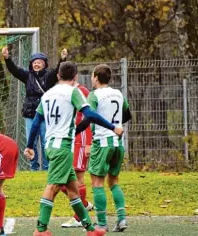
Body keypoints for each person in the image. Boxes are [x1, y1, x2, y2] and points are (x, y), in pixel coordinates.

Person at [24, 61, 123, 236]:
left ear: (57, 75)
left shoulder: (47, 94)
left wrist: (30, 145)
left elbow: (36, 122)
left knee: (72, 188)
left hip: (51, 145)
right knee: (53, 186)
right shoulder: (73, 92)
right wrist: (112, 127)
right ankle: (40, 229)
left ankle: (90, 229)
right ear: (76, 77)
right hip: (62, 147)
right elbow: (90, 114)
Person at [75, 64, 132, 232]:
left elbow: (89, 116)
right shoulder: (118, 93)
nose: (91, 79)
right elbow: (127, 114)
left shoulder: (94, 95)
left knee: (97, 183)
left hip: (102, 143)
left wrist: (75, 131)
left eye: (92, 76)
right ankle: (121, 219)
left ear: (96, 78)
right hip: (117, 143)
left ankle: (101, 223)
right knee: (114, 181)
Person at [1, 46, 68, 171]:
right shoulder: (27, 76)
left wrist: (62, 59)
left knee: (45, 141)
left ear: (44, 64)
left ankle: (47, 168)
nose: (36, 64)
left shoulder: (49, 76)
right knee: (31, 142)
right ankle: (34, 168)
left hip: (45, 114)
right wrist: (7, 58)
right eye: (34, 62)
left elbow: (58, 70)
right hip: (30, 113)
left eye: (39, 62)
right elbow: (14, 70)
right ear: (31, 65)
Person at [60, 82, 94, 228]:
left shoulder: (82, 91)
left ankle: (79, 218)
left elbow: (89, 117)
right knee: (62, 181)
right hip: (69, 140)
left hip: (81, 140)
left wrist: (88, 142)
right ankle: (84, 204)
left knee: (78, 178)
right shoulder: (63, 92)